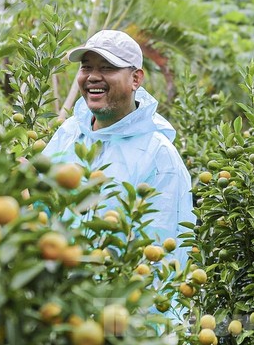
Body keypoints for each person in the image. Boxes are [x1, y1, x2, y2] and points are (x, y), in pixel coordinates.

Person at [42, 29, 195, 267]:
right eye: (86, 67)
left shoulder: (158, 155)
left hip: (117, 298)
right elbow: (42, 205)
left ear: (135, 79)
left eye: (107, 68)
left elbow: (161, 252)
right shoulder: (70, 132)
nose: (92, 77)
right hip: (58, 293)